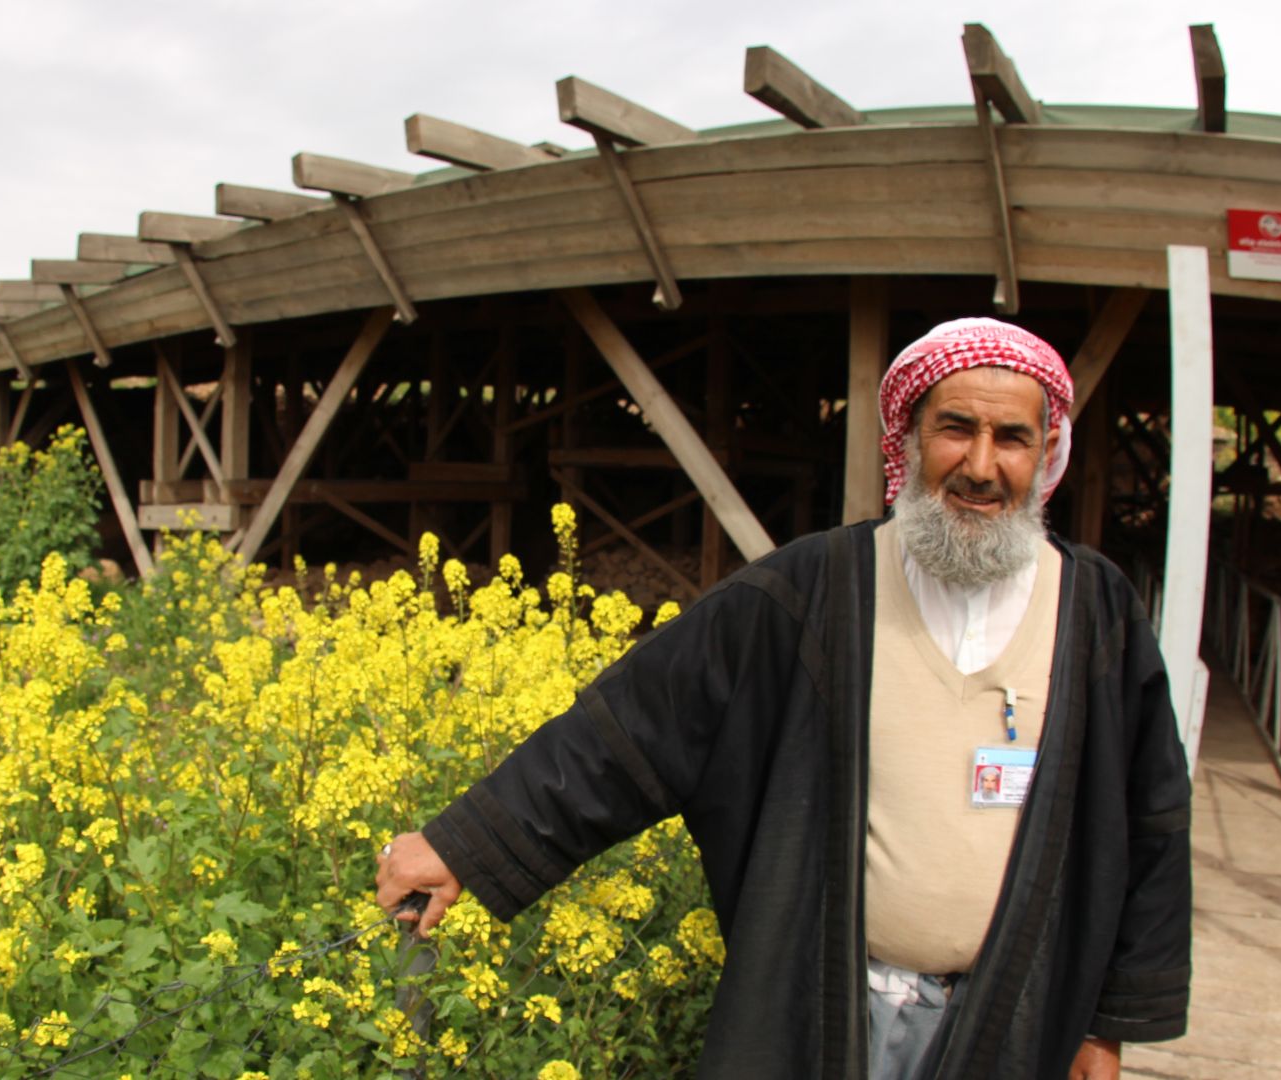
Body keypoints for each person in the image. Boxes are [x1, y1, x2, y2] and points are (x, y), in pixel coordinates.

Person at [378, 317, 1191, 1080]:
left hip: (1018, 1020)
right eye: (955, 429)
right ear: (909, 441)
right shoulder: (814, 589)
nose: (981, 465)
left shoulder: (1098, 614)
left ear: (1046, 452)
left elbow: (1150, 821)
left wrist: (1105, 1023)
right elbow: (635, 725)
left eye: (1011, 437)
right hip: (823, 1015)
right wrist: (467, 842)